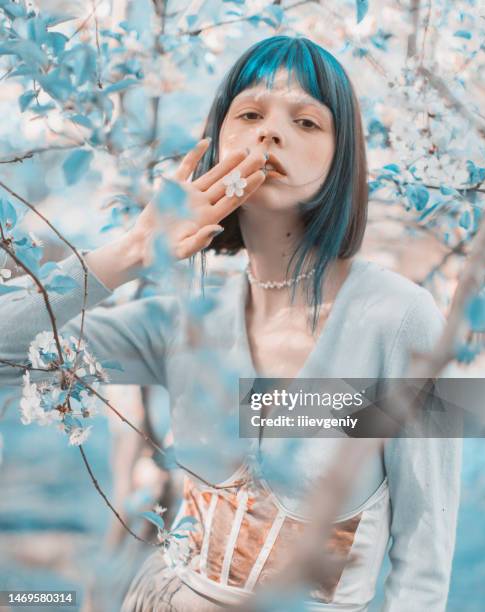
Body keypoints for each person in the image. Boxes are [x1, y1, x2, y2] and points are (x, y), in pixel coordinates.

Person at [0, 36, 461, 611]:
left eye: (307, 122)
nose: (270, 133)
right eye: (250, 113)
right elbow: (6, 349)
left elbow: (424, 557)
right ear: (216, 141)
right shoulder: (183, 323)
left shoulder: (401, 318)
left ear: (342, 157)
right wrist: (134, 249)